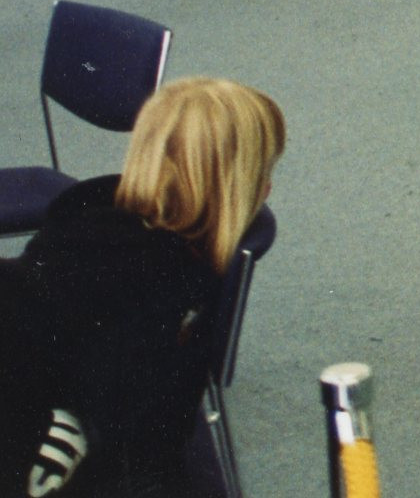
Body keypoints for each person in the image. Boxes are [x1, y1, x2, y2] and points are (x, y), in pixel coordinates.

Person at [6, 77, 285, 497]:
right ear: (240, 187)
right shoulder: (161, 298)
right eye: (265, 172)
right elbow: (136, 445)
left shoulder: (80, 217)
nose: (269, 188)